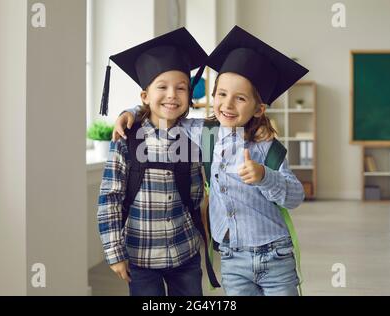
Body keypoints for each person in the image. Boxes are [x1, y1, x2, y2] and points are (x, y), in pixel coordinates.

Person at [113, 25, 308, 296]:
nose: (228, 105)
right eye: (222, 94)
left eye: (240, 98)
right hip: (231, 258)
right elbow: (167, 111)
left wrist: (265, 175)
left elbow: (295, 197)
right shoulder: (204, 133)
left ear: (259, 108)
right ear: (213, 96)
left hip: (275, 254)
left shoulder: (266, 146)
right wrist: (131, 112)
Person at [96, 27, 220, 296]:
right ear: (145, 96)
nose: (172, 95)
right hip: (140, 256)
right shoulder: (127, 139)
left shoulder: (194, 136)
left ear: (190, 95)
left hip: (184, 251)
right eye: (162, 87)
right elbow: (109, 198)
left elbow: (197, 192)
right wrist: (114, 252)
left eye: (181, 88)